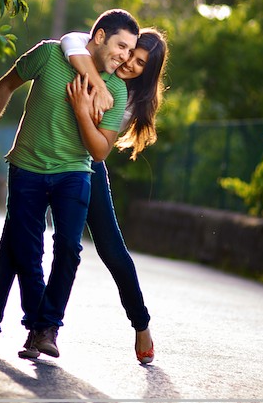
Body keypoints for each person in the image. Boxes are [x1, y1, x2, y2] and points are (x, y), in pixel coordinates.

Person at [0, 9, 139, 360]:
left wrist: (86, 111)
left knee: (69, 249)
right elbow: (6, 84)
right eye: (121, 46)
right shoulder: (49, 54)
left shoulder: (116, 90)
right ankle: (38, 327)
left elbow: (101, 149)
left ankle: (47, 328)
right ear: (101, 35)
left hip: (74, 172)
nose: (124, 57)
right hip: (27, 167)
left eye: (130, 51)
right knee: (27, 251)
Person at [60, 28, 169, 364]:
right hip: (54, 153)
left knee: (111, 250)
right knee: (59, 244)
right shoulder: (108, 50)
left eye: (140, 63)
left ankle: (141, 324)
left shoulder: (133, 99)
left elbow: (97, 145)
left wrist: (94, 101)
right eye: (130, 54)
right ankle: (43, 329)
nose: (128, 63)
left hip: (88, 163)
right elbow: (68, 41)